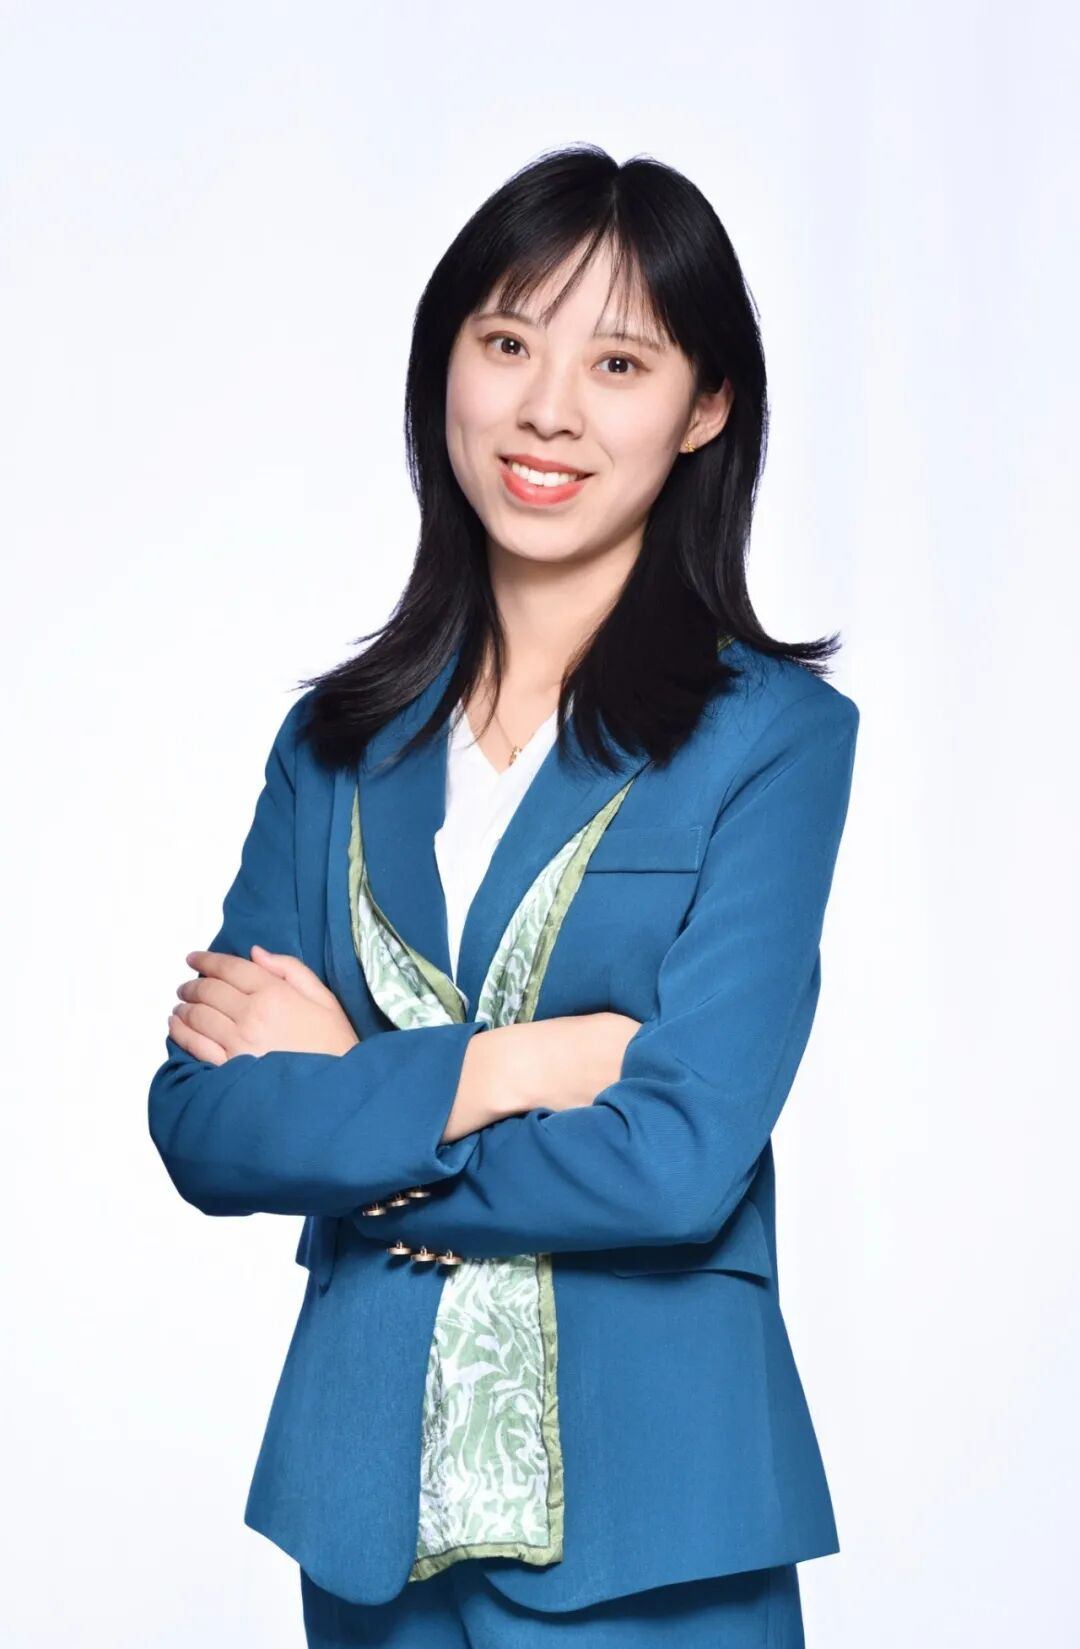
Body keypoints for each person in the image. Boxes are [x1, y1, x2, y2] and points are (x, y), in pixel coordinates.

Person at [149, 143, 860, 1648]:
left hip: (656, 1527)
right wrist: (517, 1066)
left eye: (619, 362)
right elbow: (205, 1123)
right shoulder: (334, 746)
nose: (549, 410)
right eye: (508, 342)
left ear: (705, 408)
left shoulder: (775, 740)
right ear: (446, 370)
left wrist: (355, 1107)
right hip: (365, 1518)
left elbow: (679, 1161)